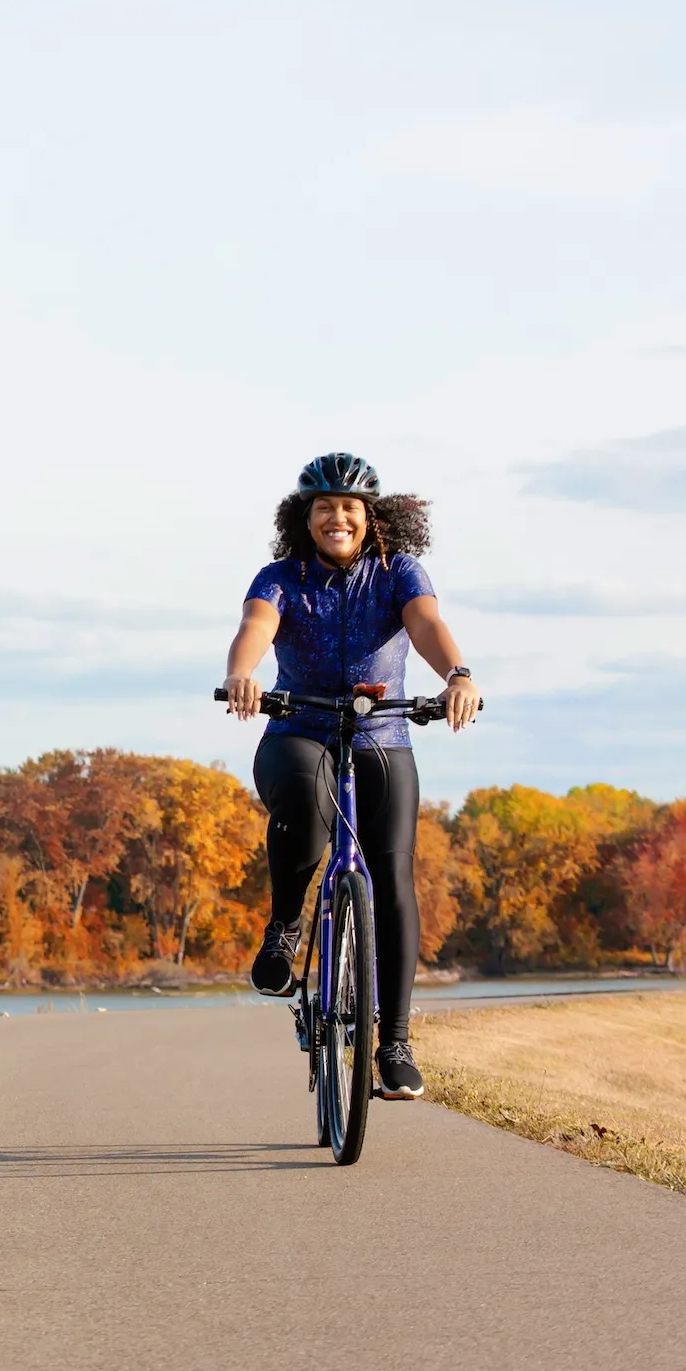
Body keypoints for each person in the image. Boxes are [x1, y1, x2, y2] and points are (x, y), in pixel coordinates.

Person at [220, 452, 479, 1101]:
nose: (338, 517)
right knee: (306, 804)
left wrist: (458, 675)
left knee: (392, 875)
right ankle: (284, 926)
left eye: (349, 508)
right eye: (325, 507)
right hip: (298, 729)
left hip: (381, 732)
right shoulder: (282, 577)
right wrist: (243, 675)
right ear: (305, 518)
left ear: (371, 518)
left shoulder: (398, 572)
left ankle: (393, 1041)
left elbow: (426, 623)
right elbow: (257, 626)